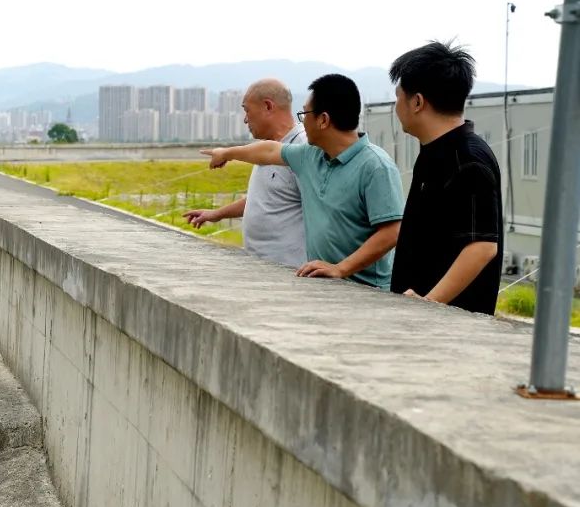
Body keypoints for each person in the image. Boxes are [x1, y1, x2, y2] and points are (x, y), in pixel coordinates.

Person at [200, 74, 404, 288]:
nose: (301, 121)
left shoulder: (375, 166)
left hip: (366, 293)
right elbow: (270, 150)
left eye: (305, 113)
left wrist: (341, 268)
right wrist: (227, 153)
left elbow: (392, 231)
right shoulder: (311, 156)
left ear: (323, 120)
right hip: (323, 285)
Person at [387, 41, 502, 315]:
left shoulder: (469, 159)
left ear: (417, 102)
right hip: (420, 317)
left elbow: (482, 246)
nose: (396, 106)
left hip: (450, 327)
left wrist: (428, 303)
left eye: (398, 97)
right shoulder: (434, 152)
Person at [183, 79, 306, 267]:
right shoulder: (264, 150)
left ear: (267, 106)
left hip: (290, 271)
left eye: (247, 110)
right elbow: (264, 198)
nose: (245, 119)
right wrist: (216, 214)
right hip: (262, 267)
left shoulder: (300, 147)